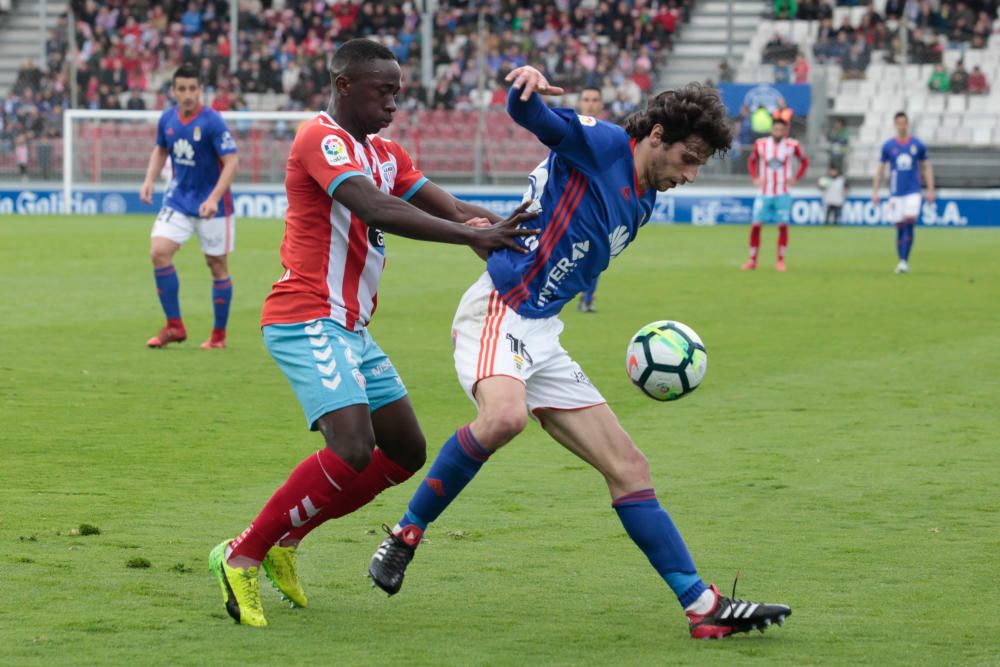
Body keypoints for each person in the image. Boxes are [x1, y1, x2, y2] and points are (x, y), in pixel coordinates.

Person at [367, 64, 793, 640]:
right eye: (690, 159)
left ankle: (702, 607)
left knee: (630, 467)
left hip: (541, 331)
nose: (691, 174)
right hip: (500, 308)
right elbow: (530, 116)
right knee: (503, 417)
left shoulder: (643, 201)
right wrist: (523, 85)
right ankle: (405, 537)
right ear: (658, 136)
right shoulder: (603, 144)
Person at [207, 39, 532, 628]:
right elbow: (374, 208)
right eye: (384, 90)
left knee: (405, 451)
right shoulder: (320, 139)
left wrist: (497, 224)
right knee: (352, 446)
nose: (394, 102)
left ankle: (286, 539)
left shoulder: (384, 149)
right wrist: (469, 238)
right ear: (345, 84)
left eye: (398, 91)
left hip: (352, 327)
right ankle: (241, 554)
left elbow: (449, 205)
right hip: (306, 316)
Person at [140, 63, 239, 349]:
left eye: (192, 89)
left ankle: (218, 336)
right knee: (158, 252)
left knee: (216, 265)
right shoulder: (168, 119)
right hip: (180, 199)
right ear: (173, 91)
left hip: (214, 205)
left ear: (200, 90)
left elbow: (232, 162)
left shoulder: (212, 122)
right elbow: (161, 149)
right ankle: (174, 326)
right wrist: (149, 179)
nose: (187, 95)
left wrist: (214, 198)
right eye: (181, 89)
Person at [742, 117, 809, 271]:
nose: (778, 131)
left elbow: (804, 161)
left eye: (781, 129)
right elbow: (752, 161)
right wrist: (755, 177)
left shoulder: (792, 145)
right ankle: (752, 260)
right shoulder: (761, 144)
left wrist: (796, 178)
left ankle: (780, 261)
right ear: (772, 129)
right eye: (776, 129)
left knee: (783, 226)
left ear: (786, 130)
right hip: (764, 192)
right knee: (756, 226)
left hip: (782, 193)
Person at [872, 111, 934, 274]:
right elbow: (880, 170)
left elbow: (926, 167)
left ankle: (904, 261)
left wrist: (930, 189)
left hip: (913, 190)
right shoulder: (888, 146)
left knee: (909, 222)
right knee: (900, 227)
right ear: (895, 125)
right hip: (896, 192)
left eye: (904, 123)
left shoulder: (918, 145)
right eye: (899, 123)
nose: (902, 126)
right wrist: (875, 191)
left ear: (907, 124)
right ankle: (901, 260)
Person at [575, 85, 603, 313]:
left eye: (594, 99)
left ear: (601, 104)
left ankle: (587, 298)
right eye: (586, 99)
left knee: (596, 254)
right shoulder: (569, 130)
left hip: (595, 204)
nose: (590, 103)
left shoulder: (608, 133)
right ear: (580, 103)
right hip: (570, 203)